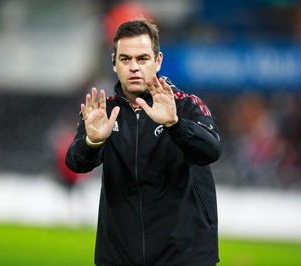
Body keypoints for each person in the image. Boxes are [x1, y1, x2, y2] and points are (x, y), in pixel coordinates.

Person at [65, 18, 222, 266]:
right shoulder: (103, 112)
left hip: (184, 256)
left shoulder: (185, 105)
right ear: (114, 63)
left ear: (158, 61)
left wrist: (176, 125)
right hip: (119, 256)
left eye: (143, 58)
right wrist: (91, 143)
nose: (134, 67)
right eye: (125, 59)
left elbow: (211, 150)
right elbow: (75, 162)